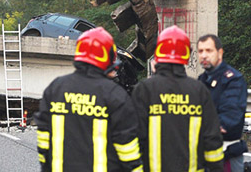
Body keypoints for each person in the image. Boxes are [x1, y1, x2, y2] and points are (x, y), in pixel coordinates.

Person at [35, 27, 143, 171]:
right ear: (107, 56)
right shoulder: (115, 96)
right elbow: (128, 151)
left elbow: (43, 141)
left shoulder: (55, 89)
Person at [132, 25, 224, 172]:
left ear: (157, 53)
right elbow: (212, 142)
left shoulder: (144, 90)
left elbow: (133, 140)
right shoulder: (199, 91)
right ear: (187, 55)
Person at [197, 34, 248, 171]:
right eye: (200, 51)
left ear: (220, 52)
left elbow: (229, 121)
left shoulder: (233, 80)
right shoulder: (200, 81)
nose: (204, 55)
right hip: (203, 156)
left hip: (227, 156)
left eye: (209, 50)